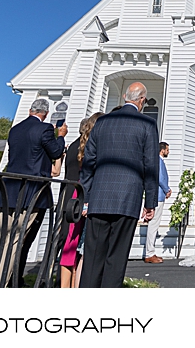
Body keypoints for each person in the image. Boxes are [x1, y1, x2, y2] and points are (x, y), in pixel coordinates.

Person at [0, 98, 66, 288]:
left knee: (0, 239)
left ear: (31, 110)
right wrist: (61, 135)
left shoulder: (15, 130)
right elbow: (56, 152)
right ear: (45, 113)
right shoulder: (44, 129)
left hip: (10, 190)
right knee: (15, 241)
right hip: (30, 191)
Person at [78, 83, 160, 288]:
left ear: (125, 96)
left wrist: (86, 198)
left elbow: (89, 163)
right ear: (142, 100)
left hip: (99, 198)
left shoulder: (102, 122)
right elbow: (150, 165)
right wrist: (150, 203)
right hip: (127, 199)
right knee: (117, 257)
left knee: (93, 257)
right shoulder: (147, 124)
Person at [57, 114, 99, 287]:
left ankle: (68, 284)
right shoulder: (88, 146)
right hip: (79, 196)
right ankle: (68, 286)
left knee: (70, 242)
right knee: (73, 243)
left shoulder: (75, 144)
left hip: (69, 195)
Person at [143, 142, 171, 263]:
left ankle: (151, 251)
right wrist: (167, 189)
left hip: (159, 196)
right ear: (162, 150)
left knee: (154, 225)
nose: (168, 152)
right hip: (158, 195)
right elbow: (159, 177)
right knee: (153, 225)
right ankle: (149, 253)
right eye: (167, 150)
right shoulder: (158, 161)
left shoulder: (159, 161)